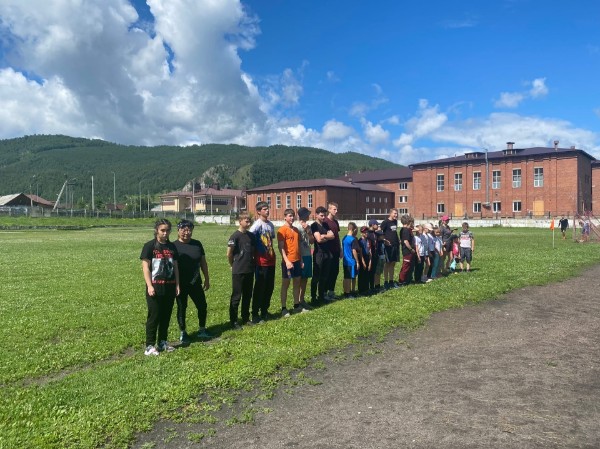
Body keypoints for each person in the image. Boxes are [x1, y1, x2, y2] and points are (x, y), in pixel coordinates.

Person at [140, 219, 180, 356]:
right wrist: (149, 286)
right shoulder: (149, 246)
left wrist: (177, 284)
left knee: (166, 316)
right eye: (162, 230)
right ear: (156, 230)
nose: (165, 233)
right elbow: (145, 267)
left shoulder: (172, 246)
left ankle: (162, 341)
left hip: (169, 287)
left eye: (168, 230)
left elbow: (175, 266)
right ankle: (149, 346)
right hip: (155, 287)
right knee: (154, 316)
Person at [173, 219, 211, 344]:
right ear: (178, 231)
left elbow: (203, 262)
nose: (187, 232)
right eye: (183, 230)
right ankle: (183, 332)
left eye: (189, 230)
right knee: (182, 307)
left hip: (195, 282)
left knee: (202, 306)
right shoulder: (173, 246)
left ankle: (202, 329)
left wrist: (206, 278)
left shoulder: (197, 244)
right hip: (180, 284)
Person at [227, 212, 255, 329]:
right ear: (240, 221)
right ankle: (233, 321)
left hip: (249, 269)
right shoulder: (235, 236)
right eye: (246, 221)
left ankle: (245, 317)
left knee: (247, 295)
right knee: (236, 296)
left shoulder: (251, 236)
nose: (248, 223)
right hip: (238, 270)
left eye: (249, 221)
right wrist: (233, 265)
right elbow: (229, 253)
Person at [277, 209, 308, 316]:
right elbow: (280, 247)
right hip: (288, 262)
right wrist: (286, 261)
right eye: (290, 216)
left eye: (293, 216)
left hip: (297, 260)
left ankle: (296, 306)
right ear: (285, 217)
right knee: (285, 284)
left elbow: (298, 246)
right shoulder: (282, 230)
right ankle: (284, 308)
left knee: (297, 283)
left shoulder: (296, 230)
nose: (292, 218)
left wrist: (301, 260)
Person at [250, 201, 276, 324]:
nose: (267, 211)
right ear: (259, 211)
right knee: (260, 287)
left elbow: (271, 240)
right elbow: (250, 240)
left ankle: (264, 311)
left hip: (271, 260)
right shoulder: (256, 225)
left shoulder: (270, 225)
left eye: (267, 208)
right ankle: (255, 313)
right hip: (261, 261)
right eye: (264, 209)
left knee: (269, 287)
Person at [311, 206, 335, 306]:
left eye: (324, 215)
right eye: (321, 215)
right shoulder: (314, 225)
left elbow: (332, 236)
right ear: (316, 215)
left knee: (324, 276)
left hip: (327, 253)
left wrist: (324, 236)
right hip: (319, 254)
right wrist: (326, 237)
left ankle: (321, 296)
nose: (323, 217)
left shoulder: (325, 224)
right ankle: (313, 297)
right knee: (316, 276)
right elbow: (318, 240)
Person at [296, 207, 314, 309]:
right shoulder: (296, 227)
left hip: (308, 254)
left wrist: (308, 231)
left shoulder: (308, 226)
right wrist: (300, 258)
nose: (309, 216)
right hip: (301, 256)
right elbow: (296, 243)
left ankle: (302, 299)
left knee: (305, 278)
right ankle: (297, 301)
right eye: (307, 214)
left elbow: (312, 241)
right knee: (299, 279)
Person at [323, 202, 341, 300]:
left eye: (337, 209)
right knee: (328, 272)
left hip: (336, 250)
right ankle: (324, 292)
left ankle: (331, 291)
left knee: (335, 271)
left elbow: (337, 237)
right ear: (329, 210)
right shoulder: (325, 222)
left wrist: (340, 249)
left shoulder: (336, 222)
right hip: (328, 251)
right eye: (334, 209)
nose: (336, 211)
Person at [380, 208, 400, 289]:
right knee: (387, 263)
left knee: (393, 263)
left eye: (397, 213)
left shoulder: (395, 221)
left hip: (395, 245)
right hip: (388, 246)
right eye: (394, 213)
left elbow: (394, 232)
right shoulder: (385, 222)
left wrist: (398, 240)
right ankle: (386, 282)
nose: (396, 215)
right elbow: (379, 232)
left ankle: (391, 281)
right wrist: (384, 240)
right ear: (390, 213)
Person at [342, 222, 361, 298]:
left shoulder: (344, 238)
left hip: (345, 260)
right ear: (355, 229)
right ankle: (348, 292)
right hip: (351, 261)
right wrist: (357, 261)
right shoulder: (353, 239)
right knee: (350, 277)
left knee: (346, 277)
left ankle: (345, 292)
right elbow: (354, 251)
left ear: (348, 228)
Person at [398, 215, 416, 285]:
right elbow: (406, 241)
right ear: (408, 222)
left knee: (410, 266)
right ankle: (401, 281)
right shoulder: (405, 230)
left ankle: (408, 279)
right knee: (406, 266)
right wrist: (411, 249)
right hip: (407, 251)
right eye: (411, 222)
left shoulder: (408, 230)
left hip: (410, 251)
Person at [357, 226, 372, 296]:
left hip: (368, 257)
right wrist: (363, 262)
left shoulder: (368, 240)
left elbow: (370, 251)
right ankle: (361, 290)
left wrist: (370, 262)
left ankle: (366, 288)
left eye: (367, 232)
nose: (366, 233)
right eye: (364, 232)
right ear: (361, 233)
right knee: (362, 275)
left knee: (367, 274)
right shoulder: (360, 241)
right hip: (362, 258)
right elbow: (360, 253)